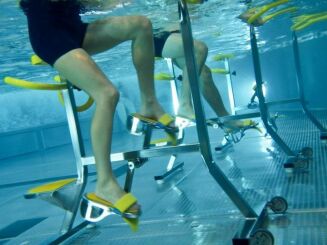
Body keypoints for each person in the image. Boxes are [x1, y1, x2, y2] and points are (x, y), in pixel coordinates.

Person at [19, 0, 177, 226]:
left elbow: (95, 5)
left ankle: (149, 104)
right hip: (50, 37)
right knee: (107, 94)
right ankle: (104, 183)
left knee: (141, 24)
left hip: (76, 30)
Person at [153, 26, 254, 130]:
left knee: (205, 74)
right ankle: (184, 106)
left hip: (172, 36)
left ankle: (226, 119)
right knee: (199, 49)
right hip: (157, 35)